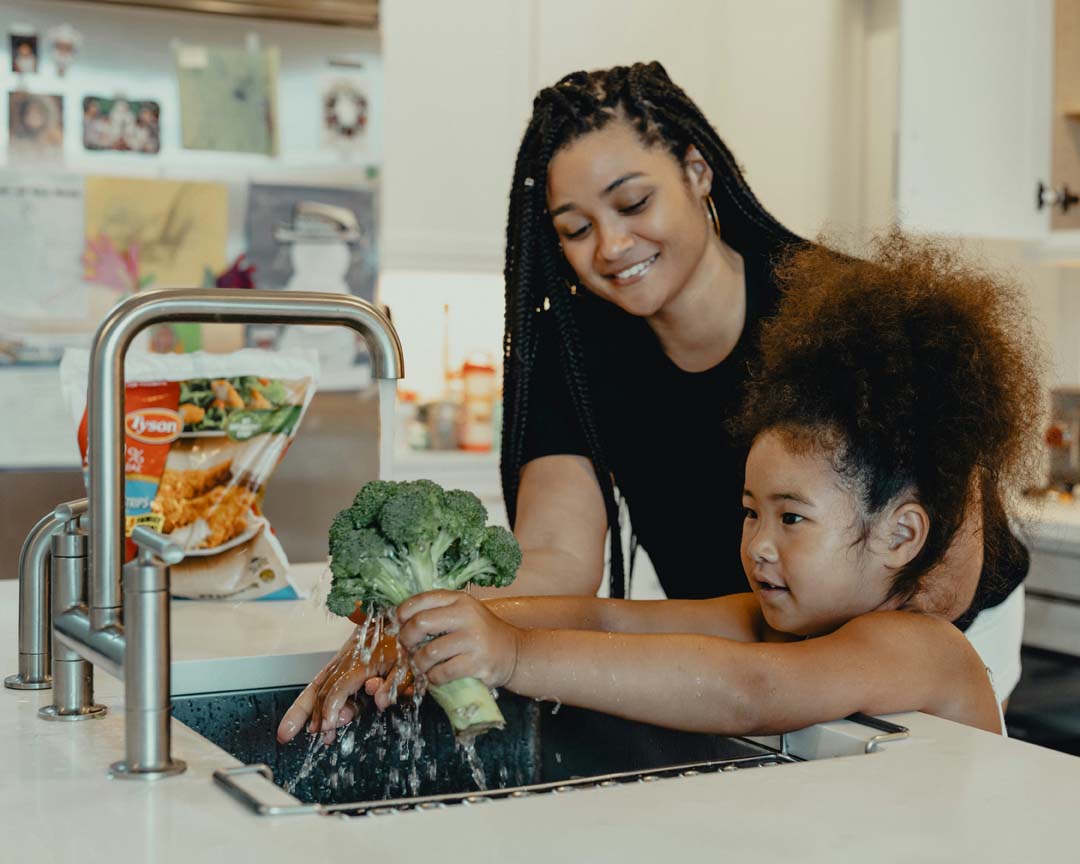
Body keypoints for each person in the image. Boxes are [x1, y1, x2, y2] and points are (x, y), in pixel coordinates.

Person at [278, 62, 1031, 744]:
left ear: (698, 171)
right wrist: (431, 623)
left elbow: (779, 675)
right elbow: (574, 577)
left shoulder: (846, 319)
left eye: (633, 202)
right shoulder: (578, 353)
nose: (610, 246)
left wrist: (511, 649)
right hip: (768, 624)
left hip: (907, 625)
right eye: (575, 228)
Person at [387, 233, 1040, 736]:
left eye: (791, 519)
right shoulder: (786, 623)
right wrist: (453, 621)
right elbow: (611, 619)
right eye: (751, 513)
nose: (757, 544)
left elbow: (750, 692)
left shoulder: (919, 645)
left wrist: (511, 656)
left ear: (900, 534)